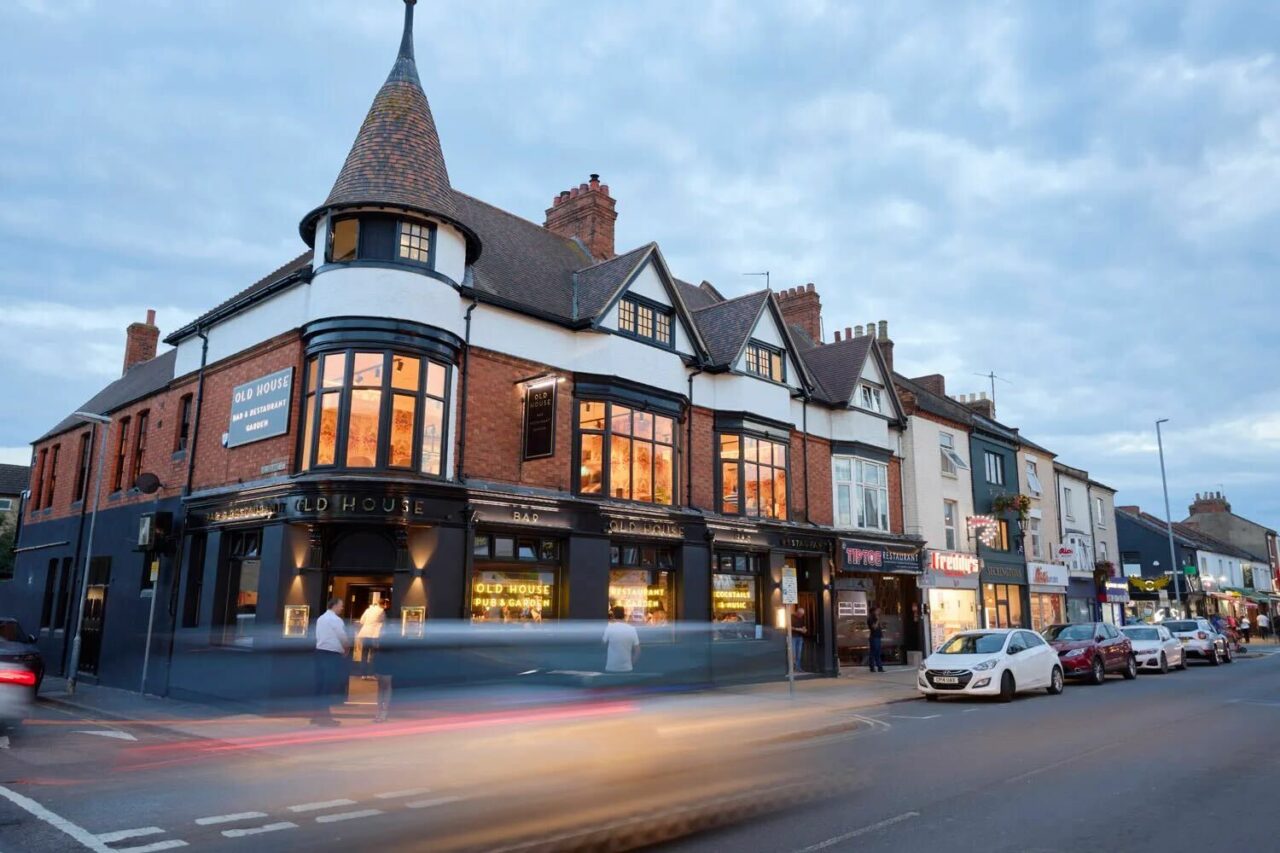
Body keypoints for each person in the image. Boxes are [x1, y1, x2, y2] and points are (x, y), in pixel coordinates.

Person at [313, 597, 349, 726]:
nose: (342, 608)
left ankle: (316, 716)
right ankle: (325, 718)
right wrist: (346, 649)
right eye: (341, 605)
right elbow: (342, 636)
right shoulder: (336, 620)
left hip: (320, 652)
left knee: (320, 685)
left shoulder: (321, 619)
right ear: (334, 606)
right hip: (332, 654)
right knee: (328, 687)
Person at [354, 597, 388, 679]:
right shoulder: (381, 611)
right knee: (373, 655)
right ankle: (371, 674)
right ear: (383, 604)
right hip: (374, 635)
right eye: (386, 604)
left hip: (364, 634)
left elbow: (362, 621)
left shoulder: (368, 610)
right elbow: (384, 623)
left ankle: (363, 674)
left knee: (364, 655)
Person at [603, 605, 641, 673]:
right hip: (627, 668)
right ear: (624, 615)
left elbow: (602, 644)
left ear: (613, 615)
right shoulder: (632, 629)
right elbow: (637, 651)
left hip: (611, 667)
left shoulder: (609, 628)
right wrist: (631, 664)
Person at [370, 633, 394, 723]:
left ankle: (379, 712)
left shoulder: (378, 649)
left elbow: (374, 659)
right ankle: (384, 712)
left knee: (380, 690)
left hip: (380, 668)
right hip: (389, 669)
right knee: (387, 689)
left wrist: (374, 671)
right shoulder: (393, 649)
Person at [790, 606, 809, 673]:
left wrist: (804, 629)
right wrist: (798, 629)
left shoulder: (801, 618)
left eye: (802, 615)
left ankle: (798, 667)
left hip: (800, 637)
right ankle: (791, 668)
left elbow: (803, 626)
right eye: (800, 614)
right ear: (797, 612)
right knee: (793, 653)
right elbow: (789, 627)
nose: (801, 616)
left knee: (799, 653)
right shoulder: (791, 617)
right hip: (792, 637)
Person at [867, 606, 885, 673]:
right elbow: (874, 627)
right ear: (874, 611)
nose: (879, 612)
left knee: (877, 652)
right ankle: (873, 667)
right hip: (874, 637)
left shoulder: (875, 618)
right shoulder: (871, 618)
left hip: (877, 637)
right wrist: (877, 620)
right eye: (877, 611)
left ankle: (879, 667)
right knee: (874, 652)